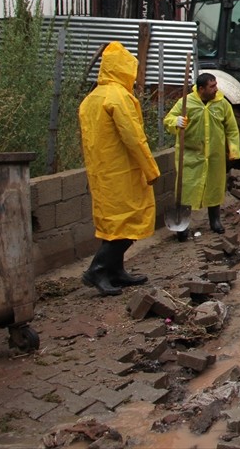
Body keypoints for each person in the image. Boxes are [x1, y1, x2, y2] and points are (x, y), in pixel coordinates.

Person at [78, 42, 161, 296]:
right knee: (128, 222)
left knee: (113, 224)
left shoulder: (91, 99)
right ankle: (97, 270)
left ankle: (116, 271)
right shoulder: (119, 97)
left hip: (102, 173)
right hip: (122, 172)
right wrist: (150, 168)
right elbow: (133, 138)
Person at [164, 73, 240, 241]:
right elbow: (168, 119)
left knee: (214, 187)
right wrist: (175, 121)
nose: (216, 89)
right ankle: (182, 226)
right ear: (201, 89)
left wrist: (233, 150)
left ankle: (215, 221)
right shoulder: (186, 103)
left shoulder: (222, 104)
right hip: (190, 156)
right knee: (186, 189)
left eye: (216, 85)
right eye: (212, 86)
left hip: (215, 155)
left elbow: (232, 128)